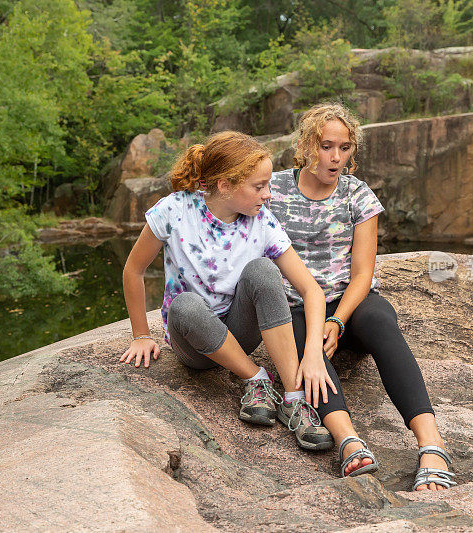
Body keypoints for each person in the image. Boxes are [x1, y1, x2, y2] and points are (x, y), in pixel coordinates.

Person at [267, 103, 457, 490]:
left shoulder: (358, 195)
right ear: (305, 145)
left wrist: (338, 320)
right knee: (305, 343)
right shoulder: (274, 189)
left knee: (380, 320)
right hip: (294, 305)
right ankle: (349, 441)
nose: (336, 157)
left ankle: (432, 444)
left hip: (348, 303)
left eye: (345, 147)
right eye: (326, 146)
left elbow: (363, 274)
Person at [120, 131, 341, 453]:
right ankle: (257, 379)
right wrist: (141, 334)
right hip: (196, 345)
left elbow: (311, 290)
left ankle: (293, 398)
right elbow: (133, 270)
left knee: (263, 270)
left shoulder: (261, 221)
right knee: (185, 305)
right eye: (258, 186)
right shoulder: (174, 211)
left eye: (267, 185)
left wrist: (312, 356)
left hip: (242, 331)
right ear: (224, 185)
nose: (267, 194)